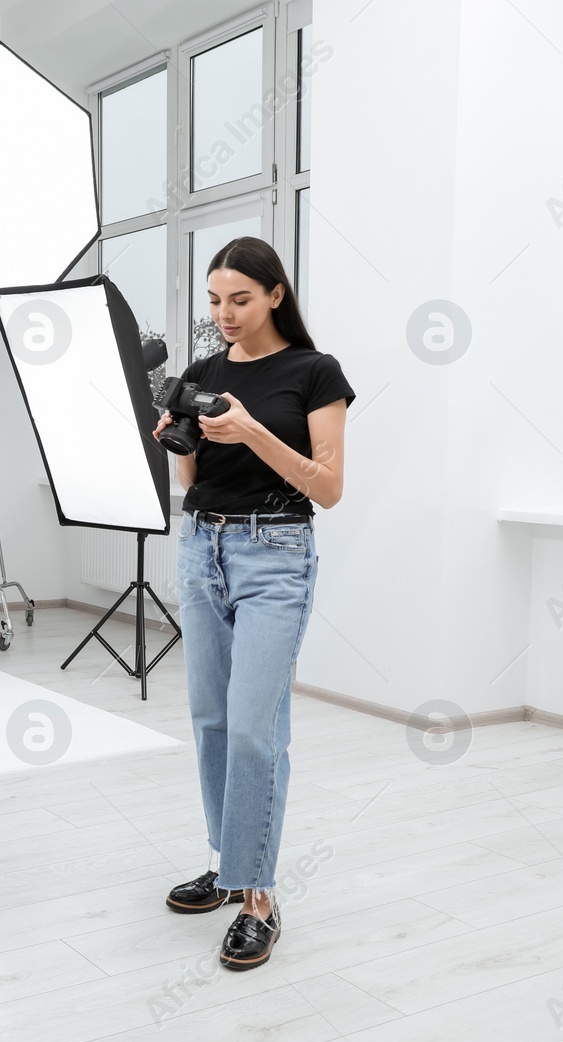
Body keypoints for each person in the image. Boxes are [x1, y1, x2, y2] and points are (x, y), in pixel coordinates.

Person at [153, 236, 354, 972]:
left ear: (275, 293)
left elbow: (326, 488)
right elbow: (190, 483)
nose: (224, 313)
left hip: (276, 555)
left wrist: (252, 429)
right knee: (210, 720)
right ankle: (228, 864)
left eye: (239, 298)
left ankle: (261, 898)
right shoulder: (205, 370)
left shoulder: (314, 372)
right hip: (201, 548)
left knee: (252, 728)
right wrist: (180, 439)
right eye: (214, 300)